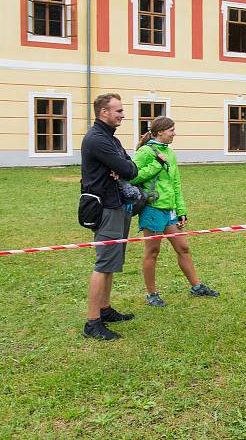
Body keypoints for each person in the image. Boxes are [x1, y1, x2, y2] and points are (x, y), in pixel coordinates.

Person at [131, 116, 219, 307]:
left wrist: (181, 210)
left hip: (169, 210)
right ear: (160, 131)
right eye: (171, 130)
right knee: (152, 252)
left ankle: (197, 286)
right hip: (152, 208)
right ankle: (151, 294)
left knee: (183, 247)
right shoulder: (146, 152)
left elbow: (176, 184)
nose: (174, 133)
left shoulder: (170, 153)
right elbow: (131, 177)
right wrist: (156, 165)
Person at [81, 93, 139, 340]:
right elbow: (126, 168)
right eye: (118, 111)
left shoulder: (110, 139)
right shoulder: (97, 139)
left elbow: (131, 168)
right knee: (104, 263)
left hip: (117, 204)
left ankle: (104, 309)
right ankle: (92, 322)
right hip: (105, 207)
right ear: (104, 112)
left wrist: (121, 167)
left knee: (112, 262)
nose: (122, 115)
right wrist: (119, 168)